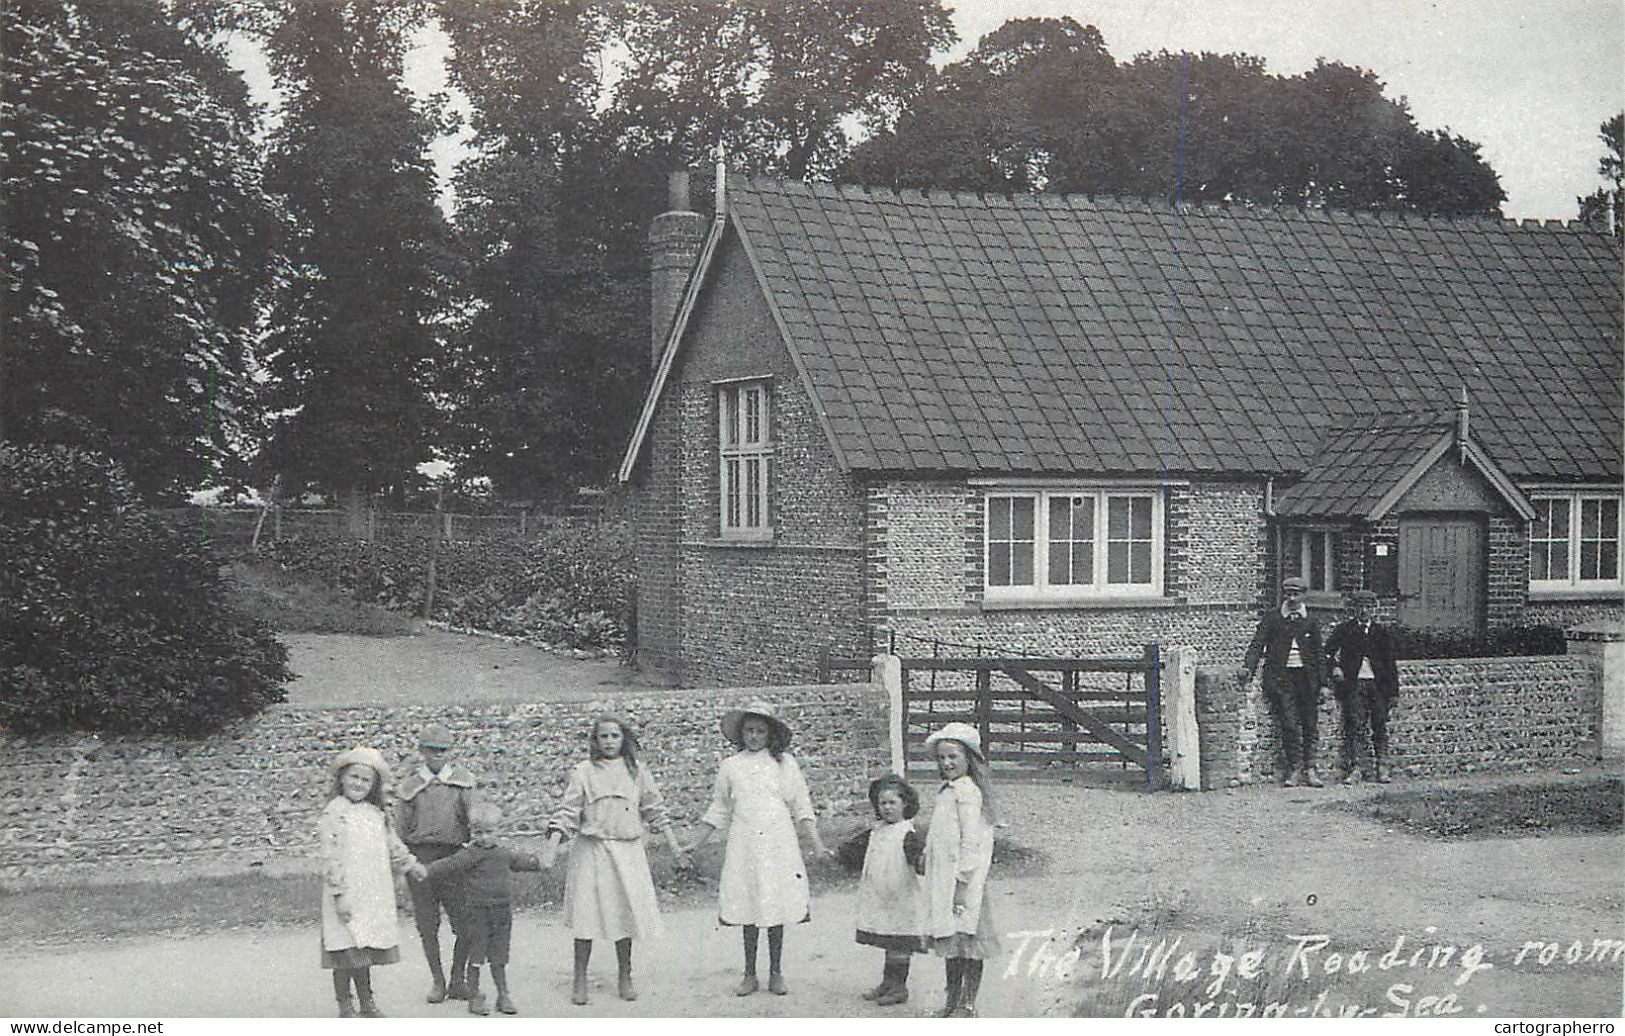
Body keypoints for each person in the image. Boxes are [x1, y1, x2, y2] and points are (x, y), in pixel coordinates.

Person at [684, 701, 834, 997]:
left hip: (778, 844)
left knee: (775, 904)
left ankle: (776, 971)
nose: (754, 736)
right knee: (749, 904)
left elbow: (801, 806)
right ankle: (749, 973)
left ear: (771, 734)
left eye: (760, 731)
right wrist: (694, 842)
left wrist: (816, 843)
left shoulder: (785, 764)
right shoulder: (731, 766)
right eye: (749, 731)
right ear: (741, 734)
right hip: (745, 845)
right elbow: (719, 809)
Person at [543, 715, 689, 1006]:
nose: (609, 742)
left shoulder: (638, 771)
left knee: (625, 915)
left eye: (614, 736)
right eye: (603, 737)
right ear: (595, 741)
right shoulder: (584, 771)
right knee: (586, 917)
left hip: (627, 852)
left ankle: (625, 975)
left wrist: (676, 849)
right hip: (592, 850)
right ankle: (580, 978)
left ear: (624, 739)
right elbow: (568, 812)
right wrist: (550, 849)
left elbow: (654, 810)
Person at [317, 747, 427, 1018]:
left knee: (363, 948)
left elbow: (393, 844)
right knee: (343, 949)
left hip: (370, 892)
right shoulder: (335, 813)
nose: (358, 784)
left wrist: (411, 864)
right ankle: (345, 1005)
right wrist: (339, 893)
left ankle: (367, 1002)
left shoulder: (376, 814)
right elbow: (330, 856)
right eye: (354, 777)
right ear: (342, 779)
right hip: (345, 891)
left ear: (374, 786)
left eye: (366, 780)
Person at [421, 802, 542, 1015]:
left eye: (490, 832)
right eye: (479, 832)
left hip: (501, 913)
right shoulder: (468, 855)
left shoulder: (503, 853)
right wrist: (423, 870)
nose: (484, 837)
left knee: (499, 957)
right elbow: (447, 865)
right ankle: (474, 996)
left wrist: (538, 863)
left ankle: (503, 994)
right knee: (476, 956)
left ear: (499, 831)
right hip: (477, 914)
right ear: (471, 832)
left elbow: (522, 862)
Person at [396, 722, 480, 1002]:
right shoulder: (410, 786)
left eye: (443, 750)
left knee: (466, 923)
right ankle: (438, 981)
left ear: (450, 751)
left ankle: (458, 979)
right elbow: (400, 831)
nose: (437, 755)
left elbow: (475, 822)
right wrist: (406, 865)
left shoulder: (462, 782)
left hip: (454, 858)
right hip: (420, 860)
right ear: (421, 751)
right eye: (431, 750)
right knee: (427, 924)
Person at [921, 723, 1000, 1018]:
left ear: (969, 758)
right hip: (945, 879)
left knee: (969, 943)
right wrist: (927, 854)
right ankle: (951, 1000)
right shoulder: (948, 791)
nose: (947, 763)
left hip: (963, 882)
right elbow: (939, 832)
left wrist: (963, 882)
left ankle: (968, 1004)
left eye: (953, 756)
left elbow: (972, 840)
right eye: (942, 758)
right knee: (951, 943)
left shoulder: (968, 793)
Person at [1238, 576, 1329, 787]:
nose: (1292, 598)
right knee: (1289, 723)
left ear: (1303, 595)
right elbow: (1257, 644)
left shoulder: (1311, 621)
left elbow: (1319, 654)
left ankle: (1311, 768)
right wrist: (1247, 667)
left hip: (1307, 680)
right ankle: (1295, 767)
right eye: (1288, 594)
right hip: (1282, 678)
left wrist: (1323, 684)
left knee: (1310, 724)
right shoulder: (1273, 618)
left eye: (1296, 594)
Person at [854, 773, 926, 1007]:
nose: (887, 808)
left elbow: (918, 857)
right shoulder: (876, 832)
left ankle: (899, 987)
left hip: (902, 896)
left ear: (905, 804)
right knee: (889, 940)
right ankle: (887, 982)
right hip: (882, 896)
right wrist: (836, 855)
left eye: (892, 802)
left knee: (900, 943)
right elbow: (854, 849)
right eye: (882, 803)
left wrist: (923, 862)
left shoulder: (908, 834)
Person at [1324, 589, 1401, 784]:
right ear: (1354, 609)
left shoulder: (1381, 632)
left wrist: (1393, 692)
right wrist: (1335, 668)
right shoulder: (1344, 630)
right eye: (1360, 607)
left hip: (1378, 686)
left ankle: (1382, 767)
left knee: (1379, 725)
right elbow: (1326, 653)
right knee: (1356, 726)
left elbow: (1390, 663)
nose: (1364, 611)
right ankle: (1356, 768)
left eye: (1368, 607)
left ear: (1374, 609)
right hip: (1354, 685)